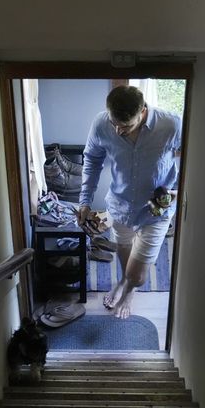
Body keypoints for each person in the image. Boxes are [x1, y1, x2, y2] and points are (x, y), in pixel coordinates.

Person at [78, 85, 181, 319]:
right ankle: (122, 280)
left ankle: (130, 290)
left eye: (126, 126)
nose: (118, 130)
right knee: (124, 256)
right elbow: (92, 160)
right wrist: (84, 202)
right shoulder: (102, 124)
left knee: (138, 275)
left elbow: (196, 154)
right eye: (115, 123)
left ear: (142, 111)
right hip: (120, 205)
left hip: (156, 211)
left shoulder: (171, 125)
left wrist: (178, 190)